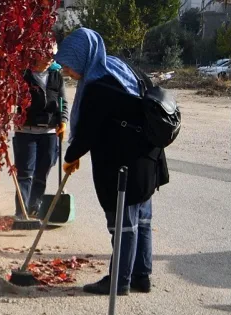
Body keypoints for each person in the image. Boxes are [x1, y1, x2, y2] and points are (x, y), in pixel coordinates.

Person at [56, 28, 169, 295]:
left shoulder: (99, 86)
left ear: (84, 56)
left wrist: (71, 156)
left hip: (123, 164)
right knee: (141, 218)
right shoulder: (122, 69)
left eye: (70, 65)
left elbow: (88, 131)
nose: (68, 72)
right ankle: (141, 275)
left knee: (123, 224)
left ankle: (119, 281)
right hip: (148, 157)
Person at [13, 42, 69, 218]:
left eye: (52, 56)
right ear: (36, 54)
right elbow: (11, 99)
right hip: (26, 131)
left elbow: (63, 102)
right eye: (46, 55)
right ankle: (21, 212)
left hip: (50, 133)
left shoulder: (55, 75)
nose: (49, 59)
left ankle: (34, 208)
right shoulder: (23, 75)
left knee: (42, 172)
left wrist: (63, 121)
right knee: (25, 174)